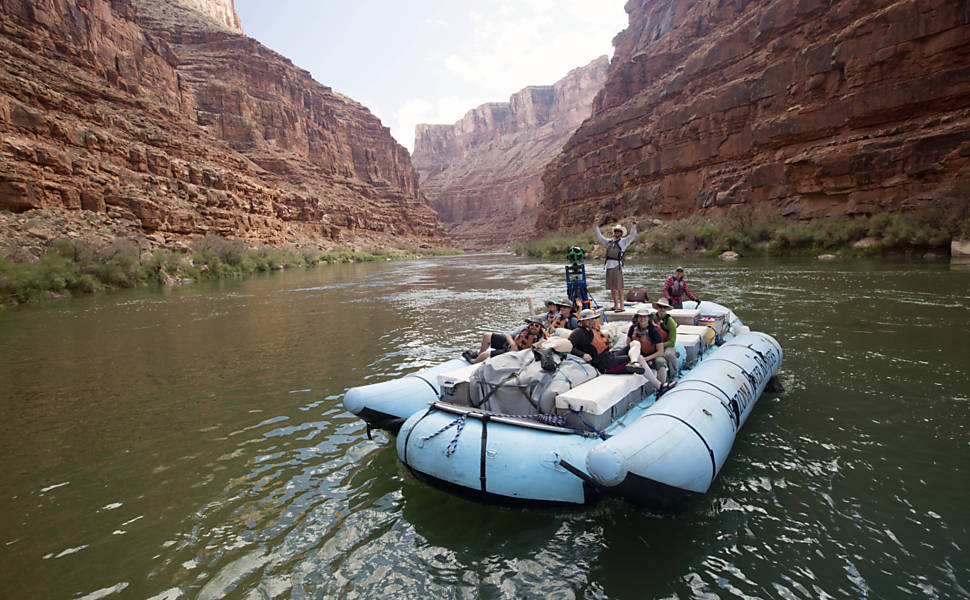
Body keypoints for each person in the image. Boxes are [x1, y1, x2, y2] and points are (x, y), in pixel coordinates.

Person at [568, 309, 645, 375]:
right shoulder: (578, 332)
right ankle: (655, 381)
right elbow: (570, 347)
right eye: (588, 320)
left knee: (635, 343)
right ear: (582, 321)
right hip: (604, 364)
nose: (591, 322)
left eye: (592, 319)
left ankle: (634, 362)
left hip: (610, 356)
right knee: (636, 358)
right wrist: (582, 354)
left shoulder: (593, 330)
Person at [594, 220, 638, 312]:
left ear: (621, 233)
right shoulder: (608, 242)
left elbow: (632, 236)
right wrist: (596, 227)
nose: (617, 233)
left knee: (619, 287)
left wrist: (634, 226)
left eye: (619, 231)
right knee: (612, 288)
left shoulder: (624, 242)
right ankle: (615, 305)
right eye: (616, 231)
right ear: (614, 232)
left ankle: (621, 307)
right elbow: (599, 237)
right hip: (609, 267)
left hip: (616, 266)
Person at [463, 316, 548, 364]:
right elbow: (509, 336)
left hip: (513, 353)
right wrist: (512, 344)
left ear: (540, 328)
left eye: (536, 326)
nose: (533, 326)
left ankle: (473, 361)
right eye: (532, 324)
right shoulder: (523, 329)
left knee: (485, 355)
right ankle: (479, 354)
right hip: (511, 345)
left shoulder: (540, 339)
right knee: (487, 336)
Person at [627, 308, 672, 391]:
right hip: (638, 356)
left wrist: (647, 359)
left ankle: (661, 385)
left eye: (644, 317)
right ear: (637, 318)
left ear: (648, 318)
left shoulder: (654, 330)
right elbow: (628, 344)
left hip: (653, 355)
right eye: (640, 317)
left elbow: (660, 351)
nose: (642, 319)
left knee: (661, 362)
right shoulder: (632, 329)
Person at [650, 298, 680, 379]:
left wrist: (659, 345)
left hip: (666, 344)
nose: (662, 309)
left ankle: (674, 374)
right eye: (660, 307)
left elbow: (672, 342)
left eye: (664, 307)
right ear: (657, 307)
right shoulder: (652, 317)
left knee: (669, 354)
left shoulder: (670, 322)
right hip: (653, 343)